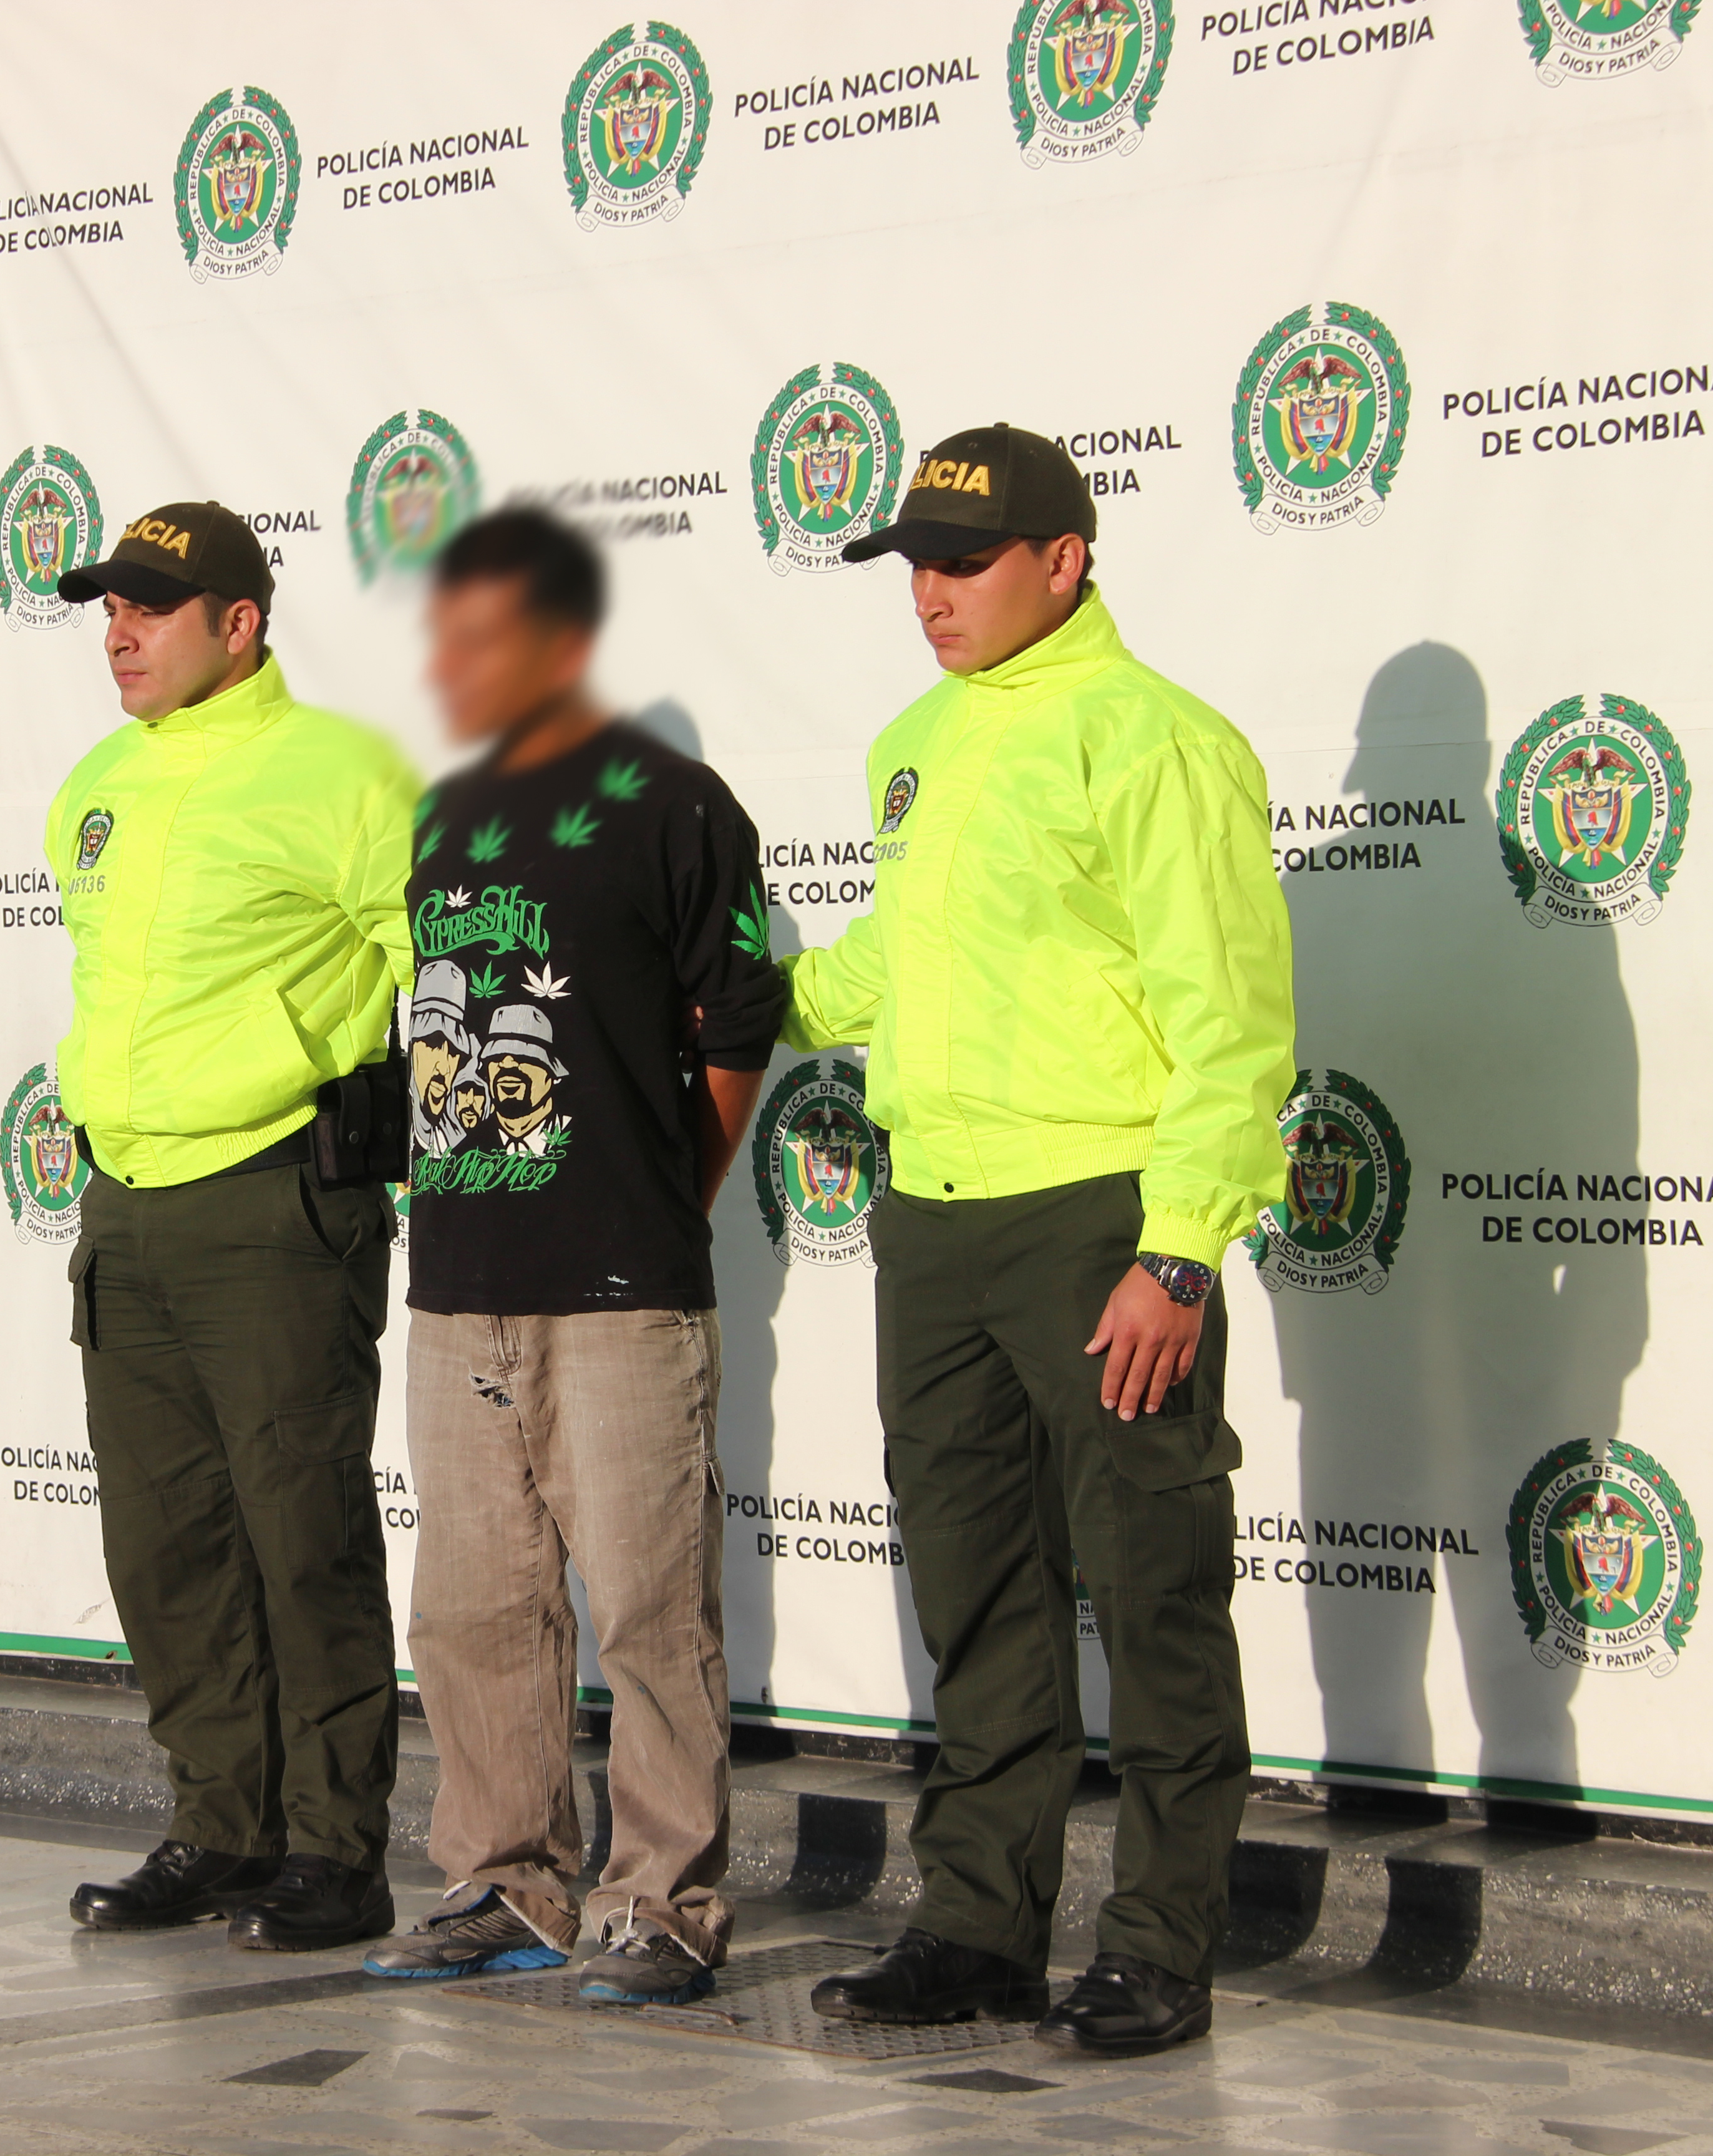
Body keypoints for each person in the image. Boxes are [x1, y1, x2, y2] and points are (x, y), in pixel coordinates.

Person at [785, 426, 1293, 2056]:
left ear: (1063, 560)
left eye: (965, 561)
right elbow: (901, 961)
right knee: (981, 1592)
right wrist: (743, 988)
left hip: (1103, 1228)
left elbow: (1231, 1016)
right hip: (930, 1222)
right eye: (912, 564)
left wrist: (1186, 1247)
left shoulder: (1158, 740)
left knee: (1152, 1592)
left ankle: (1157, 1947)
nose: (928, 593)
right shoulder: (915, 742)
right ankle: (978, 1931)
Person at [356, 509, 785, 2006]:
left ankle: (664, 1902)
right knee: (473, 1608)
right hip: (461, 1281)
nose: (450, 663)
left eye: (481, 635)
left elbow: (740, 1026)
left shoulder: (675, 805)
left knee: (652, 1608)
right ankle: (504, 1883)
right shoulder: (444, 814)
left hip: (621, 1285)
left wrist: (670, 1190)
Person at [45, 500, 417, 1953]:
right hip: (125, 1210)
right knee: (166, 1547)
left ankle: (339, 1849)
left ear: (239, 624)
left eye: (150, 606)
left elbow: (439, 965)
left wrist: (422, 1153)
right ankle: (220, 1827)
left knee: (303, 1537)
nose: (119, 631)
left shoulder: (343, 772)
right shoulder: (97, 783)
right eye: (108, 608)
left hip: (276, 1207)